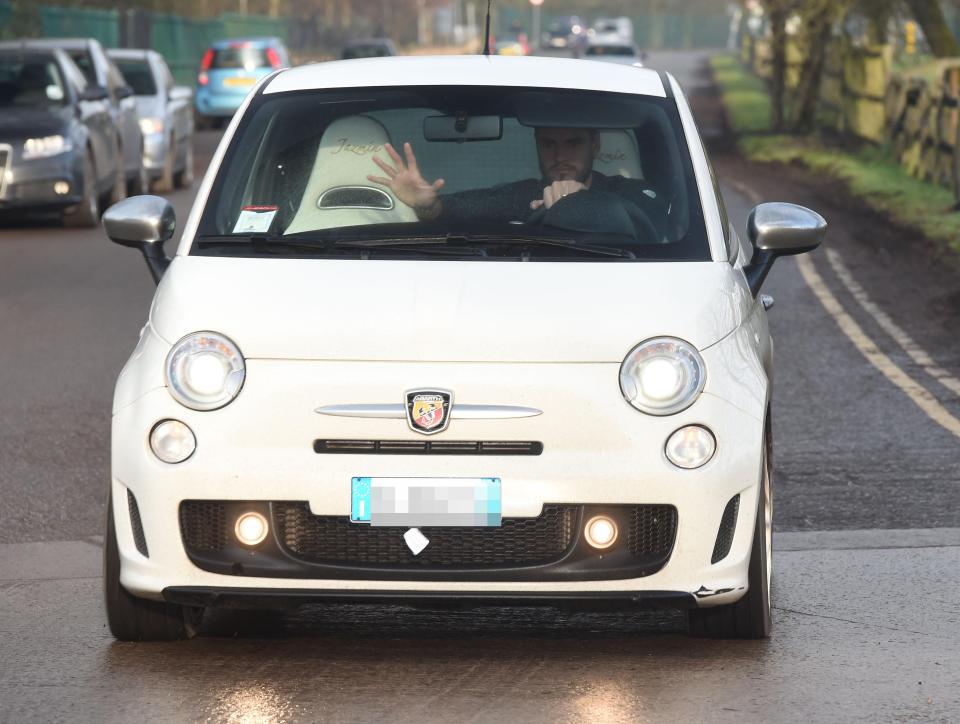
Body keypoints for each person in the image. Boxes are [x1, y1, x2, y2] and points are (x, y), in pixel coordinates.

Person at [366, 126, 667, 238]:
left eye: (573, 143)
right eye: (548, 144)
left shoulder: (626, 191)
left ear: (595, 146)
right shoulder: (521, 196)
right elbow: (462, 210)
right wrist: (428, 206)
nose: (560, 156)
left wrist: (583, 199)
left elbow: (660, 213)